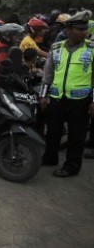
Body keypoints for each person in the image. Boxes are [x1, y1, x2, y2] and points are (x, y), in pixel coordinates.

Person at [39, 10, 94, 177]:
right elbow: (47, 74)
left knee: (77, 135)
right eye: (80, 29)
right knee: (53, 131)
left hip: (81, 100)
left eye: (85, 29)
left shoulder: (91, 49)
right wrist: (43, 95)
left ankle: (71, 166)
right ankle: (50, 157)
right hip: (56, 98)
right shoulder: (56, 48)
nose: (84, 32)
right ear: (69, 30)